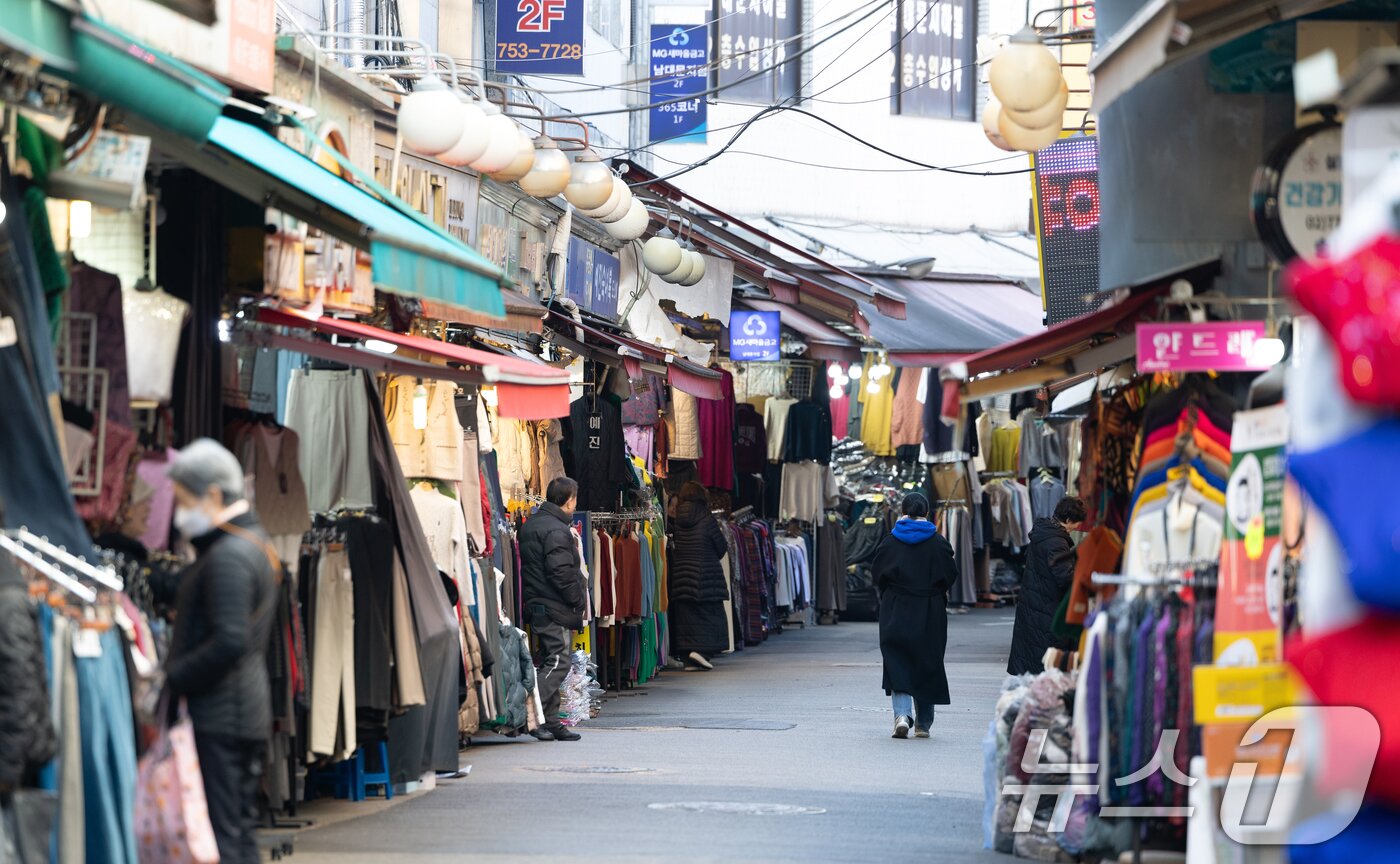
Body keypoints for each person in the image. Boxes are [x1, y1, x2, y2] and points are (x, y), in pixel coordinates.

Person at [164, 439, 279, 864]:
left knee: (225, 835)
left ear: (213, 495)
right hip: (238, 713)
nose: (178, 514)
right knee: (234, 831)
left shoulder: (230, 555)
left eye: (183, 500)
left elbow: (229, 640)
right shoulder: (247, 543)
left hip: (223, 717)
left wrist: (172, 678)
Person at [871, 493, 957, 739]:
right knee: (926, 662)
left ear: (903, 511)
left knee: (897, 661)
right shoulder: (938, 543)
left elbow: (877, 574)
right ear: (927, 512)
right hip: (929, 609)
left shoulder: (890, 542)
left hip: (896, 608)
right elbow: (950, 574)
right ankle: (923, 724)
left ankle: (901, 716)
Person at [520, 476, 587, 741]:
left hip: (538, 602)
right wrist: (577, 600)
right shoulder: (556, 530)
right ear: (569, 501)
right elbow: (561, 572)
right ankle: (531, 711)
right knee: (560, 661)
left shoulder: (534, 525)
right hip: (553, 604)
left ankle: (550, 721)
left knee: (552, 660)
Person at [1008, 496, 1087, 675]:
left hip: (1034, 603)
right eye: (1076, 523)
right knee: (1044, 658)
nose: (1077, 528)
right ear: (1067, 520)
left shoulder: (1044, 533)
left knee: (1032, 657)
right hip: (1046, 606)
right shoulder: (1057, 542)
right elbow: (1064, 577)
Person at [667, 482, 730, 671]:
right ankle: (702, 652)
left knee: (689, 617)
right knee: (710, 615)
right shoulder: (706, 518)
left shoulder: (678, 519)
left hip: (682, 575)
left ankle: (690, 657)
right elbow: (721, 547)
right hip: (706, 576)